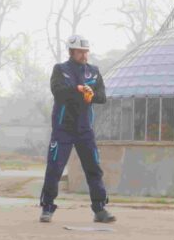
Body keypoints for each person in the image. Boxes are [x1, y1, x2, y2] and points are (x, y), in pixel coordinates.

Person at [39, 35, 116, 223]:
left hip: (85, 130)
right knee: (54, 168)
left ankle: (100, 209)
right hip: (62, 128)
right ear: (71, 52)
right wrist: (79, 90)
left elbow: (102, 96)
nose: (84, 55)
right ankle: (47, 207)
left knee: (94, 169)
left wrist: (92, 96)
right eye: (80, 52)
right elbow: (58, 92)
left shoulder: (94, 72)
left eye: (86, 52)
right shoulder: (60, 70)